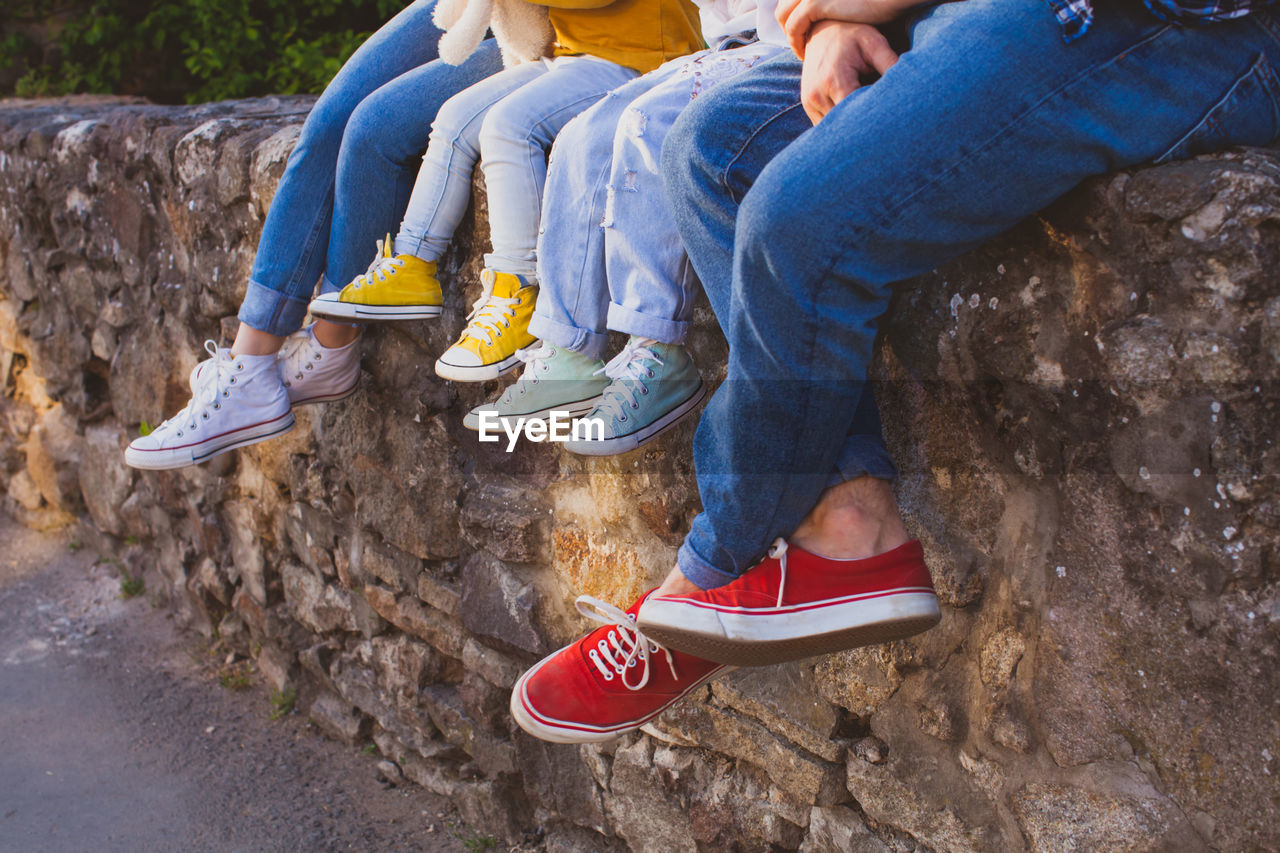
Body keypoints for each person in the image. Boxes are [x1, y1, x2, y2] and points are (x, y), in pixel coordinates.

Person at [509, 0, 1280, 742]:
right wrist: (836, 17)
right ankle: (850, 513)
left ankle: (703, 581)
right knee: (713, 149)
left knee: (797, 222)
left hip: (1176, 23)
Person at [124, 1, 506, 470]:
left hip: (570, 26)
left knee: (373, 130)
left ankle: (331, 344)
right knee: (329, 122)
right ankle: (250, 362)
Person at [306, 0, 704, 384]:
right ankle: (413, 262)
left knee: (509, 127)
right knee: (453, 117)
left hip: (639, 58)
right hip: (571, 54)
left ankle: (515, 293)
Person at [462, 0, 788, 455]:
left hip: (789, 44)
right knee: (582, 134)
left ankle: (657, 349)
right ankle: (569, 352)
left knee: (646, 123)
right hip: (728, 43)